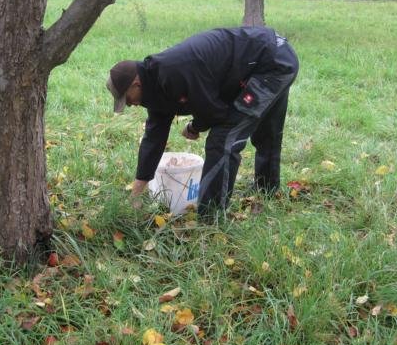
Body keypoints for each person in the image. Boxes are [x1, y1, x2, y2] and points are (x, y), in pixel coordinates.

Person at [106, 26, 299, 217]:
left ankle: (211, 216)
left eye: (127, 98)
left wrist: (194, 127)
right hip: (262, 59)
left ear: (136, 84)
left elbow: (215, 112)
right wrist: (135, 195)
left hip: (273, 63)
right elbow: (153, 139)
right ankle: (267, 189)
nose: (130, 105)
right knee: (266, 130)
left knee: (223, 139)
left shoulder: (174, 71)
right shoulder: (155, 86)